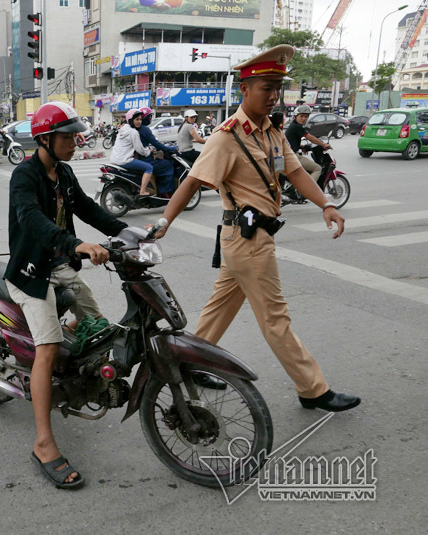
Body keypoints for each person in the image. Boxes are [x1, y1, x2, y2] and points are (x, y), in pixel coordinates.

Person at [156, 44, 360, 412]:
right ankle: (312, 388)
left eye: (277, 88)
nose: (273, 96)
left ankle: (190, 360)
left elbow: (294, 171)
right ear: (244, 89)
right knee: (275, 318)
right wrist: (163, 222)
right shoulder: (226, 137)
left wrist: (326, 203)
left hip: (246, 237)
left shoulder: (270, 131)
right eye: (266, 88)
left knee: (220, 307)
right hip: (248, 240)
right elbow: (191, 182)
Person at [3, 101, 128, 489]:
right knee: (49, 346)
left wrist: (126, 231)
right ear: (44, 138)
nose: (76, 142)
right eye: (68, 137)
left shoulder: (64, 172)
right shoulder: (24, 176)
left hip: (61, 264)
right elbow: (32, 219)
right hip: (31, 272)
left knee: (97, 325)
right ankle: (43, 443)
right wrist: (76, 245)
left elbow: (88, 208)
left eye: (77, 135)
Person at [109, 108, 154, 196]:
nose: (139, 122)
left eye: (140, 119)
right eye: (137, 119)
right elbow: (140, 150)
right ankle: (142, 191)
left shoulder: (123, 129)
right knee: (149, 168)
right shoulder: (133, 132)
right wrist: (149, 151)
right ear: (130, 120)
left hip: (114, 159)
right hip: (125, 160)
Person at [137, 106, 179, 197]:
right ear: (146, 117)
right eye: (150, 117)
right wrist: (170, 149)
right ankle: (165, 192)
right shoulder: (144, 129)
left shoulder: (138, 128)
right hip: (145, 159)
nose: (151, 119)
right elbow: (156, 143)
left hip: (140, 157)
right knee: (168, 165)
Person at [285, 104, 331, 185]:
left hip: (288, 155)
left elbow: (290, 142)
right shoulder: (297, 127)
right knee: (317, 169)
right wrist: (323, 144)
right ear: (295, 116)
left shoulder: (293, 125)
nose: (304, 118)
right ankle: (308, 189)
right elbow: (310, 137)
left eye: (306, 116)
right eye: (301, 116)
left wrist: (302, 147)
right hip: (293, 156)